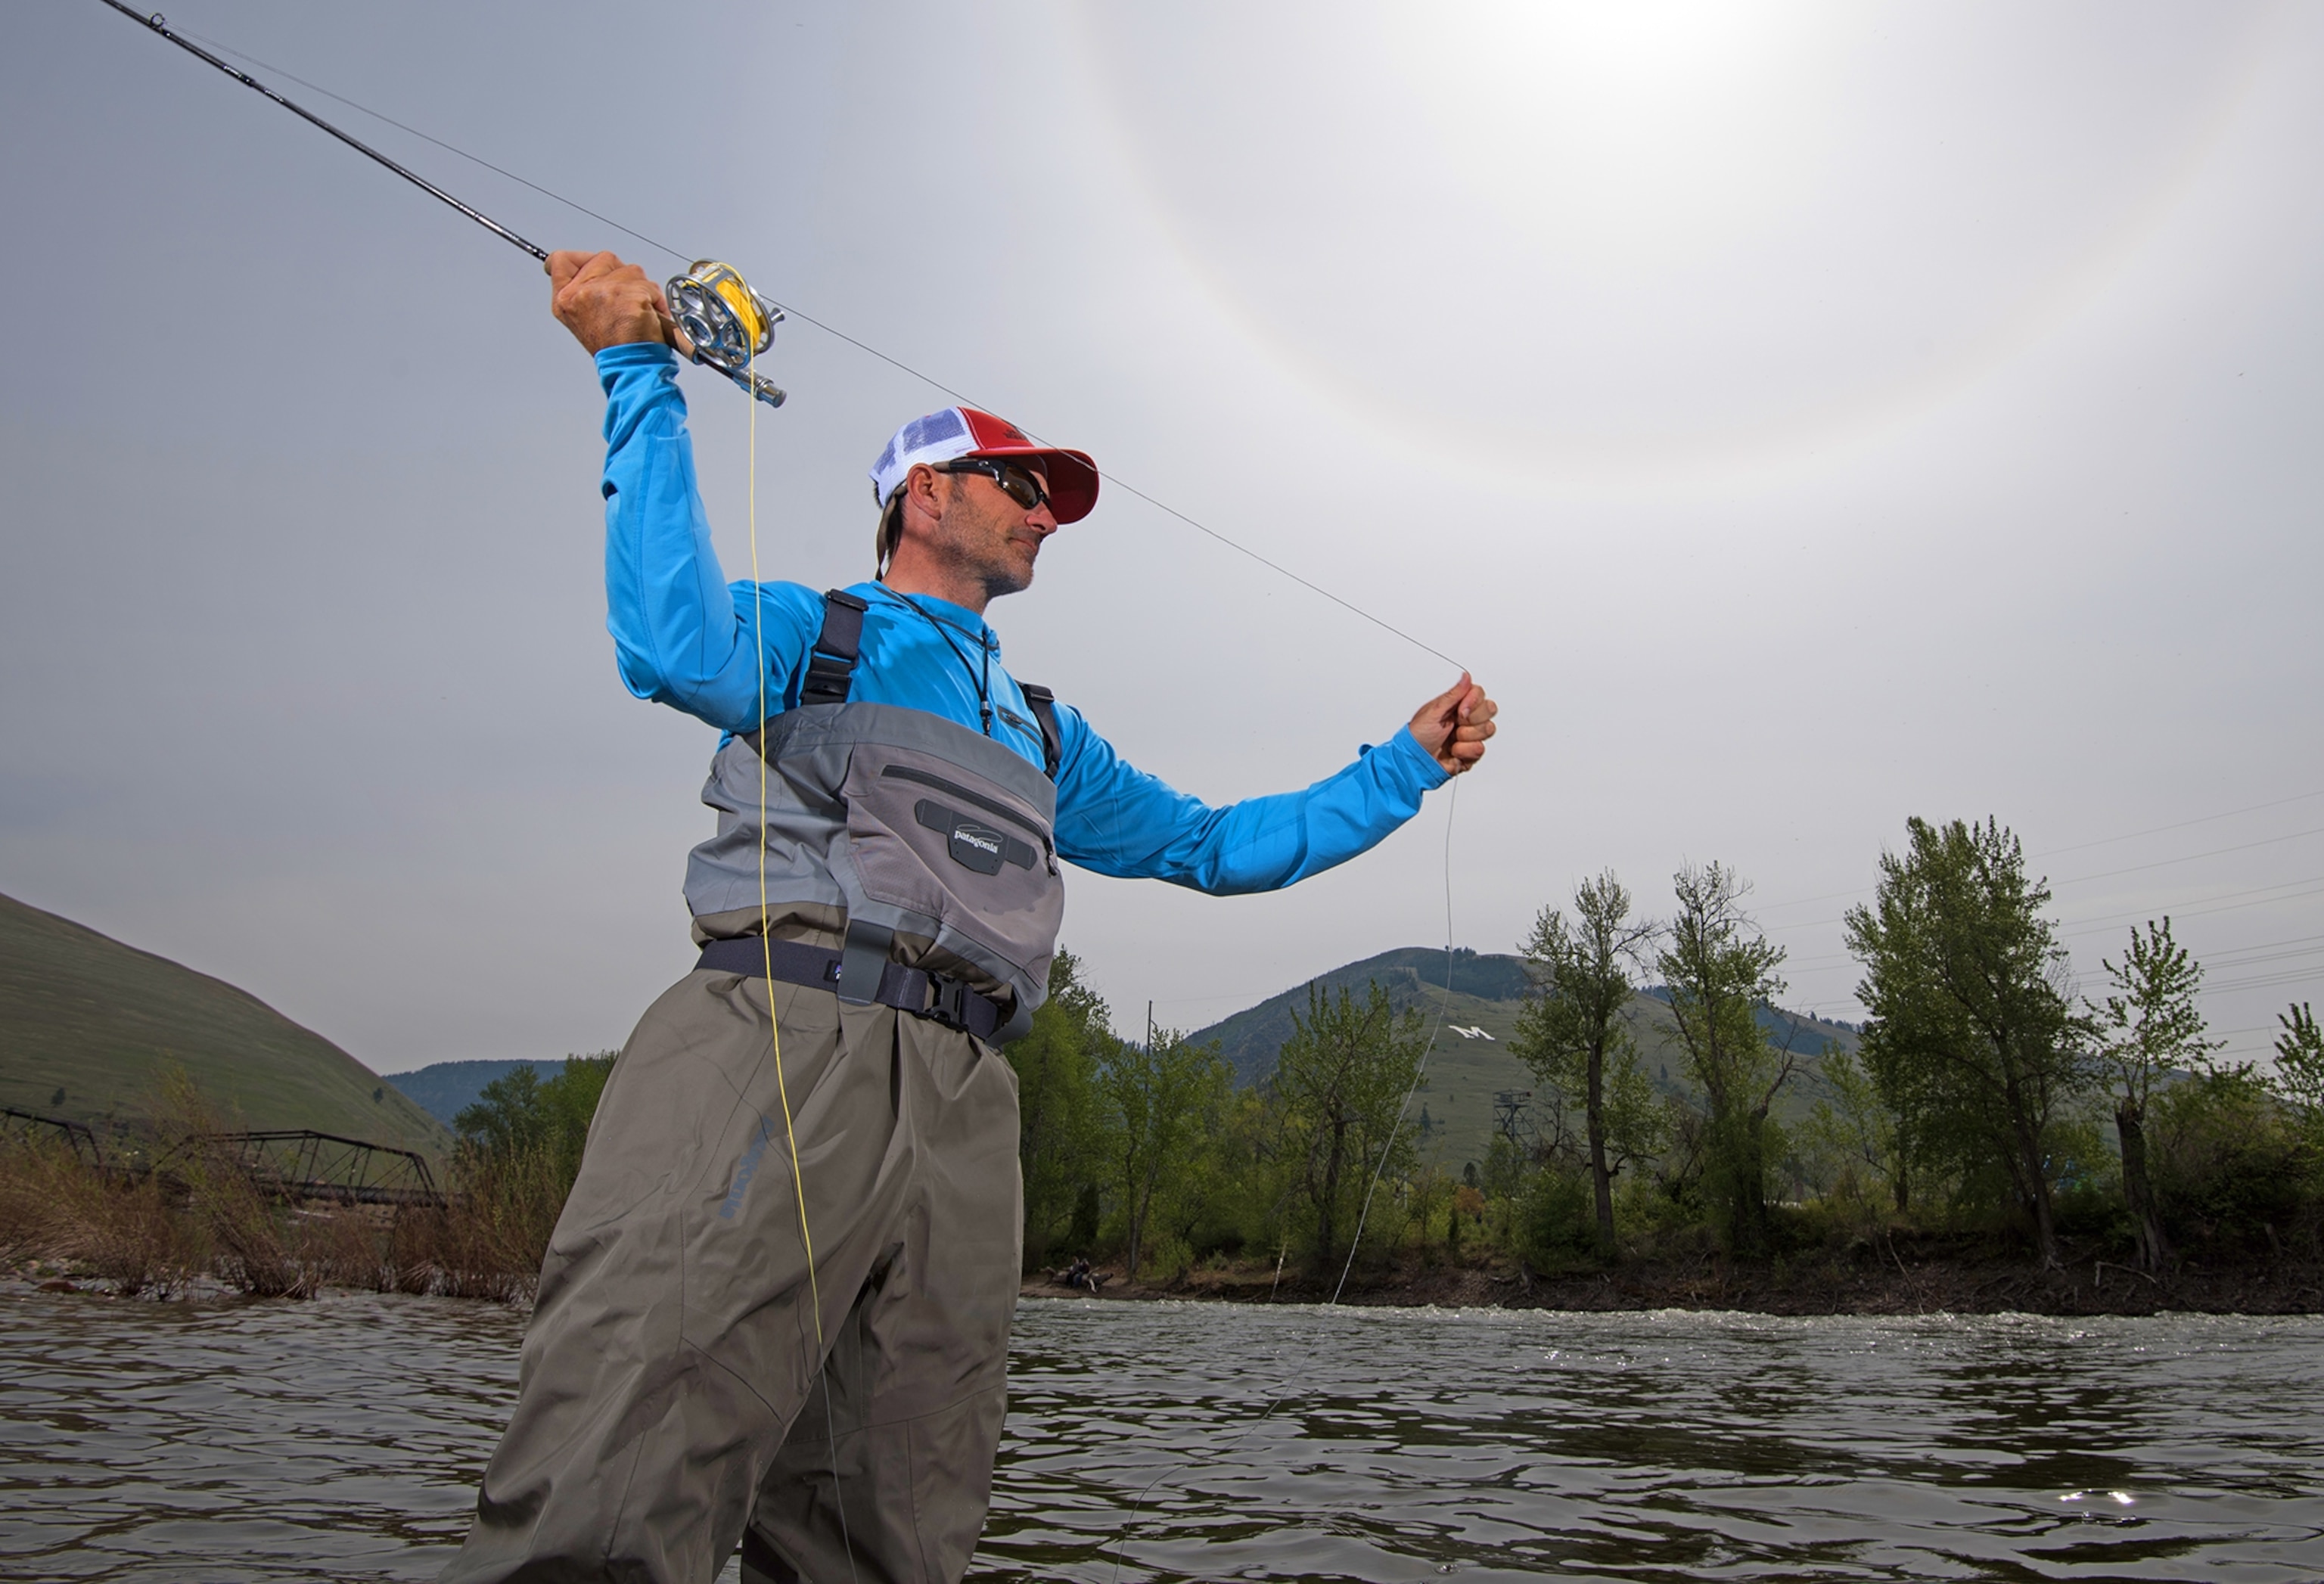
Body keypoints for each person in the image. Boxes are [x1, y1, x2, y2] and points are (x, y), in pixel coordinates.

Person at [442, 250, 1499, 1584]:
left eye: (1051, 499)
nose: (1046, 516)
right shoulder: (818, 636)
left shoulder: (1046, 731)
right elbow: (668, 641)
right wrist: (637, 368)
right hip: (780, 1041)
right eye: (1022, 486)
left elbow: (1219, 846)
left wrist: (1401, 763)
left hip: (971, 1111)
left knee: (895, 1517)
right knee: (622, 1465)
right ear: (923, 494)